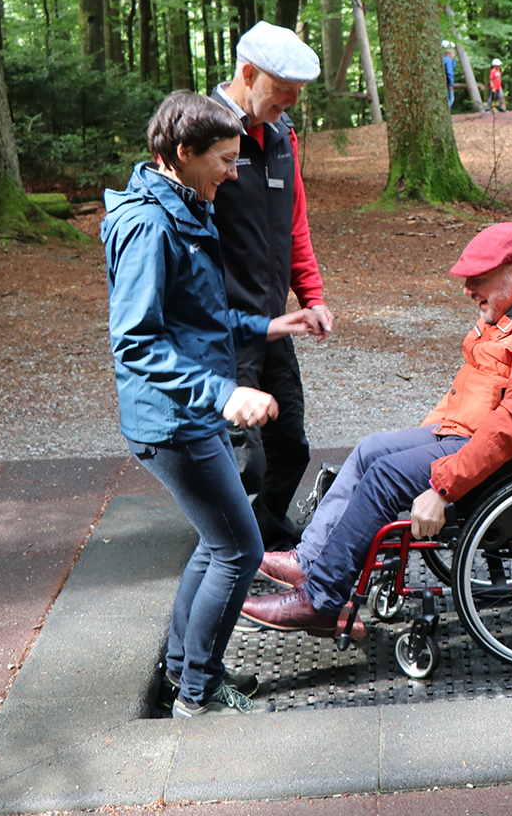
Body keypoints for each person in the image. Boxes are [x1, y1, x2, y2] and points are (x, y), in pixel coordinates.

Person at [239, 223, 512, 636]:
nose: (468, 290)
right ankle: (309, 562)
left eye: (478, 280)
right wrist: (428, 437)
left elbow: (511, 430)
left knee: (386, 477)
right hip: (469, 434)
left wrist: (441, 488)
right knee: (371, 450)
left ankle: (319, 601)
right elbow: (472, 391)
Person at [103, 92, 327, 716]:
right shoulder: (149, 225)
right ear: (183, 154)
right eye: (225, 160)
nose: (234, 173)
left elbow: (198, 314)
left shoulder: (185, 203)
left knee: (216, 540)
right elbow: (138, 341)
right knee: (240, 547)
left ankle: (184, 671)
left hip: (187, 412)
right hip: (172, 420)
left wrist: (267, 326)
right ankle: (196, 696)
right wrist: (225, 393)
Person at [211, 21, 334, 551]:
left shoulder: (282, 137)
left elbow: (294, 226)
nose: (289, 107)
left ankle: (265, 533)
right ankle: (226, 555)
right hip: (223, 326)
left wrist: (313, 297)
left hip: (274, 321)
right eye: (281, 97)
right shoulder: (204, 134)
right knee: (244, 456)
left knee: (292, 445)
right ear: (246, 73)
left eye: (294, 99)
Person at [443, 41, 457, 108]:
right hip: (448, 82)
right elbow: (450, 72)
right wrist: (451, 83)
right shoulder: (449, 60)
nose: (454, 55)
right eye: (453, 53)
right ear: (448, 54)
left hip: (442, 81)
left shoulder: (442, 59)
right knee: (451, 99)